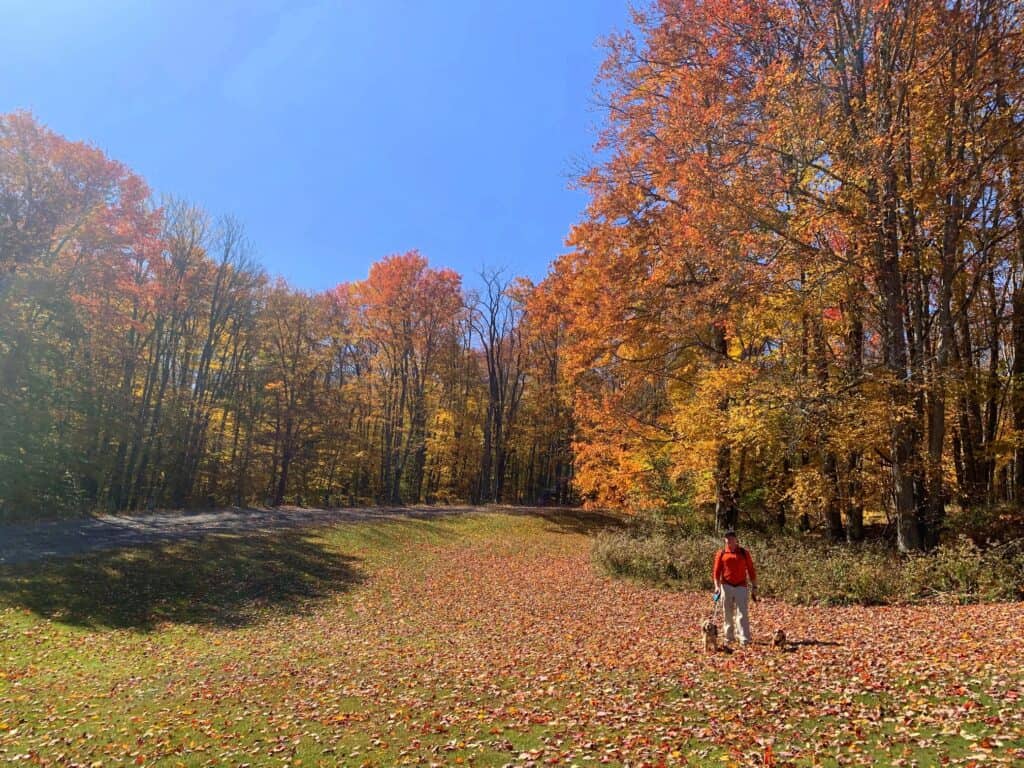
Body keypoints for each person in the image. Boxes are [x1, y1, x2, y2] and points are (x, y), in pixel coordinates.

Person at [712, 529, 757, 646]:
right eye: (727, 538)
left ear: (736, 540)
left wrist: (754, 585)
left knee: (742, 613)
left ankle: (744, 638)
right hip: (726, 585)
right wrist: (717, 587)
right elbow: (716, 572)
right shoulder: (721, 553)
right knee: (727, 613)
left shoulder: (743, 553)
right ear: (725, 540)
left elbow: (751, 570)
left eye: (731, 538)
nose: (729, 540)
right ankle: (729, 638)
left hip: (741, 585)